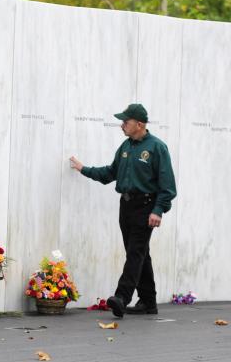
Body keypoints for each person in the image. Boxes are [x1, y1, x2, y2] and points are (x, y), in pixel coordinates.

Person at [69, 103, 176, 318]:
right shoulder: (125, 147)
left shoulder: (157, 148)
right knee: (138, 252)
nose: (122, 126)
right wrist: (84, 169)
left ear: (139, 124)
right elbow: (110, 173)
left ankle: (121, 297)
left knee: (136, 252)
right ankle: (148, 301)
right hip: (126, 206)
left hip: (146, 207)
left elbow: (168, 186)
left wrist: (158, 210)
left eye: (125, 122)